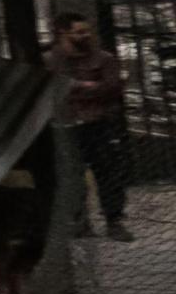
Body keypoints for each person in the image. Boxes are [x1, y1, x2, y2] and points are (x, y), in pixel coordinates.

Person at [54, 13, 132, 240]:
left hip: (96, 123)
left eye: (87, 31)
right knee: (72, 176)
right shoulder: (52, 60)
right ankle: (80, 223)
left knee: (108, 172)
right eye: (79, 32)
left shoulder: (104, 59)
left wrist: (74, 88)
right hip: (65, 126)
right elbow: (52, 90)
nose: (85, 35)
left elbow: (111, 88)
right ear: (63, 33)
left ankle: (114, 221)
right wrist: (84, 85)